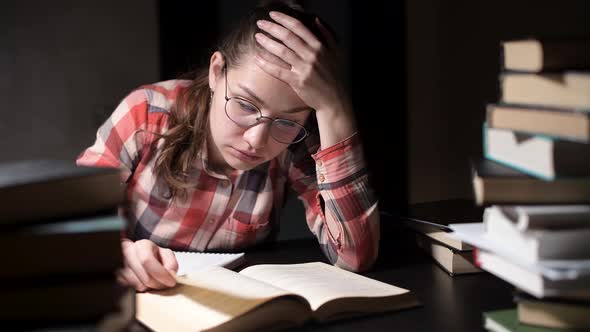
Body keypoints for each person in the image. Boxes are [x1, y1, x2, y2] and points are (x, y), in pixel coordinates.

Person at [77, 0, 379, 292]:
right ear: (216, 71)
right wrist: (118, 252)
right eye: (245, 105)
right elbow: (74, 221)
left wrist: (335, 110)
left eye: (286, 122)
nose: (256, 140)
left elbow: (353, 256)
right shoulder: (145, 114)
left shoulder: (296, 147)